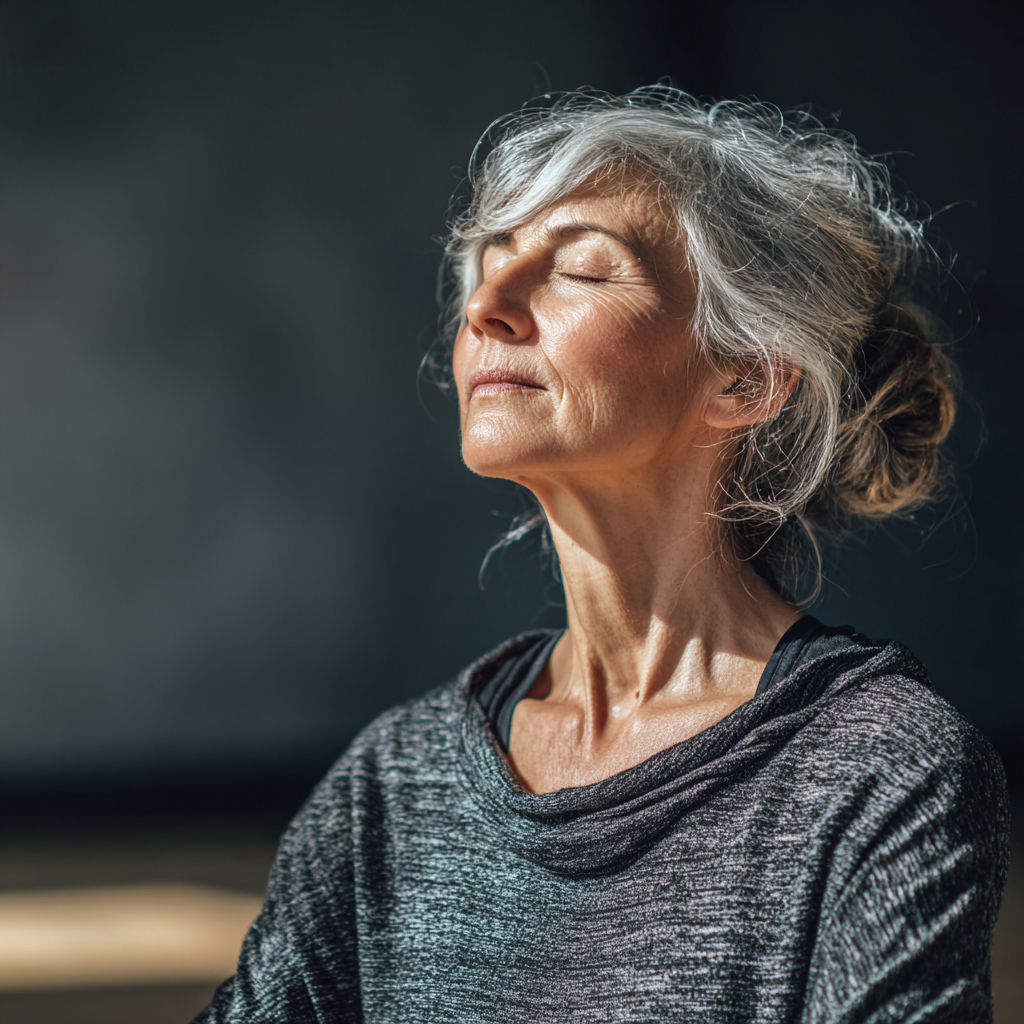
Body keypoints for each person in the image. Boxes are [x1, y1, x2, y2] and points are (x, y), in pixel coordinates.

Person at [194, 87, 1009, 1022]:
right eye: (488, 266)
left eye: (582, 271)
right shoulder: (393, 783)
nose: (488, 307)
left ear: (744, 376)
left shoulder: (881, 772)